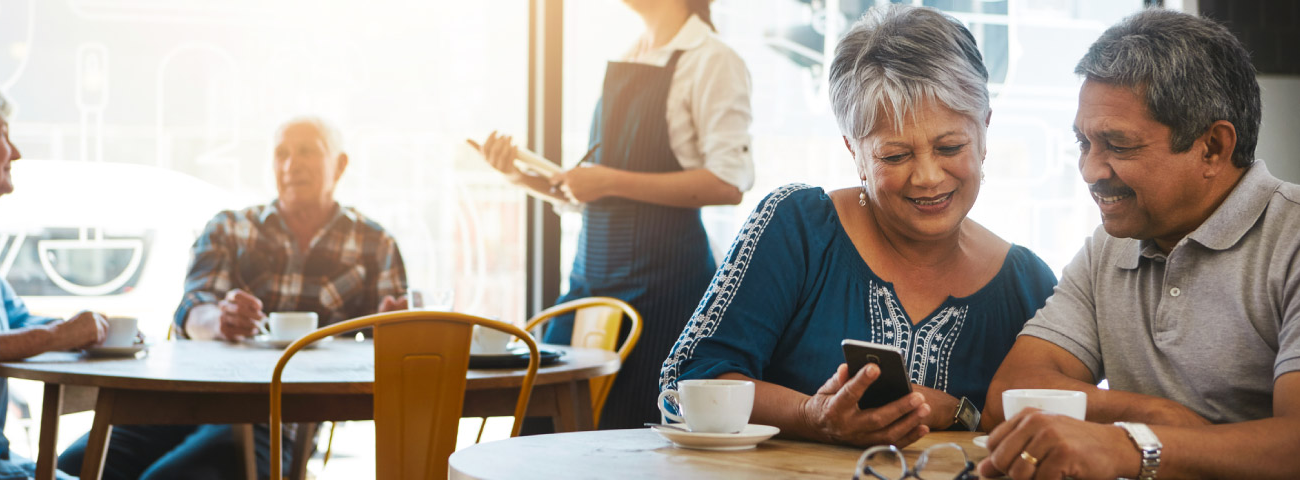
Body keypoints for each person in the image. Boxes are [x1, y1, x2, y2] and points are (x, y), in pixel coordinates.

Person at [659, 4, 1057, 448]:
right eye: (895, 156)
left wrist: (960, 414)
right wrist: (812, 416)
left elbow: (1057, 431)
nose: (927, 176)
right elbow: (686, 383)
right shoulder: (800, 228)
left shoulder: (1030, 284)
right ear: (855, 152)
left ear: (984, 131)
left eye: (950, 147)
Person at [978, 9, 1300, 480]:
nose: (1090, 170)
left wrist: (1130, 445)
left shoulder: (1291, 238)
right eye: (1084, 142)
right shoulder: (1108, 247)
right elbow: (1012, 393)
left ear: (1212, 147)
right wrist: (1160, 418)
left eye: (1118, 145)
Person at [58, 116, 409, 479]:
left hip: (275, 420)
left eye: (308, 152)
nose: (292, 165)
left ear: (340, 165)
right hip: (179, 401)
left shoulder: (374, 244)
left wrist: (396, 327)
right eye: (282, 154)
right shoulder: (230, 227)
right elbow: (193, 309)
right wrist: (219, 321)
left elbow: (390, 350)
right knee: (71, 468)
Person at [474, 0, 753, 429]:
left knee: (630, 446)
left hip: (664, 290)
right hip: (590, 282)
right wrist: (518, 175)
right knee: (543, 431)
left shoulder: (713, 60)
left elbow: (727, 183)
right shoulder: (628, 55)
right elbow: (592, 191)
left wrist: (609, 181)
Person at [0, 75, 109, 480]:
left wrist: (93, 331)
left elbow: (16, 321)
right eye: (2, 133)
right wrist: (55, 337)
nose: (16, 152)